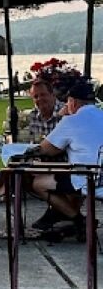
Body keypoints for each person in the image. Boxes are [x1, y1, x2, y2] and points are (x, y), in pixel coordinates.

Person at [27, 80, 103, 238]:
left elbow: (46, 149)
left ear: (73, 102)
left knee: (38, 183)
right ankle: (69, 218)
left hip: (88, 179)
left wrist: (64, 118)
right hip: (101, 178)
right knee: (66, 177)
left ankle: (79, 220)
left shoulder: (71, 121)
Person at [26, 78, 65, 142]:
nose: (39, 99)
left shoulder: (67, 113)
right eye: (36, 97)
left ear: (53, 95)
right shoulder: (32, 116)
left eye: (43, 94)